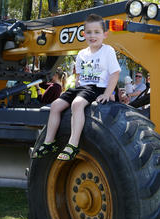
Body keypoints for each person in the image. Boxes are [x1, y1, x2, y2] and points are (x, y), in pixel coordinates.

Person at [32, 13, 120, 161]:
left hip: (97, 87)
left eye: (97, 32)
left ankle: (73, 144)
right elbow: (79, 77)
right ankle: (49, 142)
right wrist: (71, 91)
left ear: (105, 34)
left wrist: (107, 93)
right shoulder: (81, 54)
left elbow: (115, 73)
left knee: (77, 104)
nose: (93, 36)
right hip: (82, 87)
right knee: (55, 105)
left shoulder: (108, 50)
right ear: (84, 34)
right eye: (89, 32)